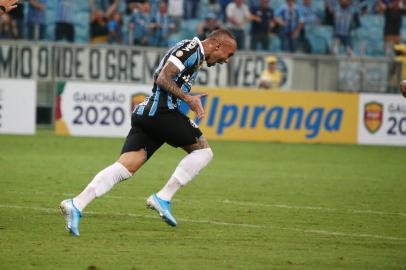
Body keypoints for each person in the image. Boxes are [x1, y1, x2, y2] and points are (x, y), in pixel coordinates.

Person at [60, 28, 237, 236]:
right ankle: (163, 197)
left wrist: (187, 97)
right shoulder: (191, 49)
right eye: (228, 54)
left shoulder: (193, 55)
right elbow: (162, 77)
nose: (226, 60)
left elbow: (158, 74)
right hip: (161, 112)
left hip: (148, 113)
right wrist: (188, 98)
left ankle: (77, 204)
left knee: (126, 167)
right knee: (203, 151)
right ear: (217, 45)